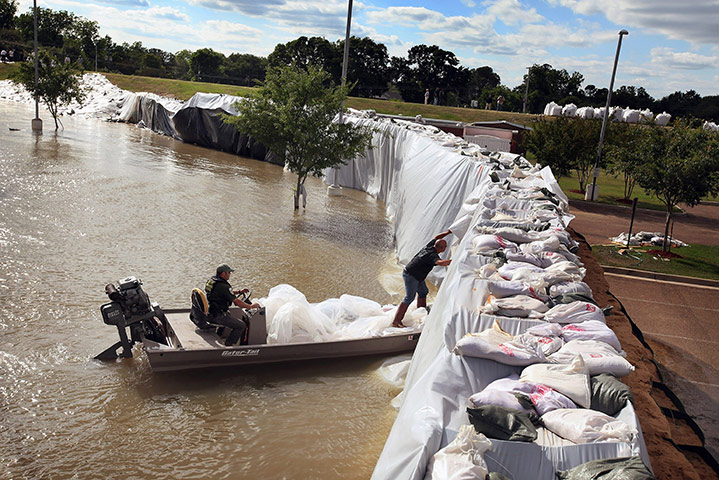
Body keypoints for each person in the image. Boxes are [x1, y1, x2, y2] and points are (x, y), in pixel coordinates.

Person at [392, 230, 452, 328]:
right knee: (409, 298)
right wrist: (454, 261)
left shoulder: (430, 246)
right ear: (441, 248)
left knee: (423, 291)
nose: (446, 248)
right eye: (445, 247)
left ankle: (421, 311)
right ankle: (397, 320)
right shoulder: (432, 255)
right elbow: (440, 263)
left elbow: (436, 237)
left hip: (418, 275)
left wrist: (448, 232)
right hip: (411, 275)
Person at [205, 264, 260, 346]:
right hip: (218, 315)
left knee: (228, 314)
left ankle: (218, 335)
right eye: (229, 273)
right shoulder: (223, 286)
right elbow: (237, 302)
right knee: (241, 325)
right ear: (223, 273)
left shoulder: (212, 281)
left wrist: (239, 292)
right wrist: (251, 306)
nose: (230, 275)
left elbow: (223, 293)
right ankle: (229, 344)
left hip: (211, 312)